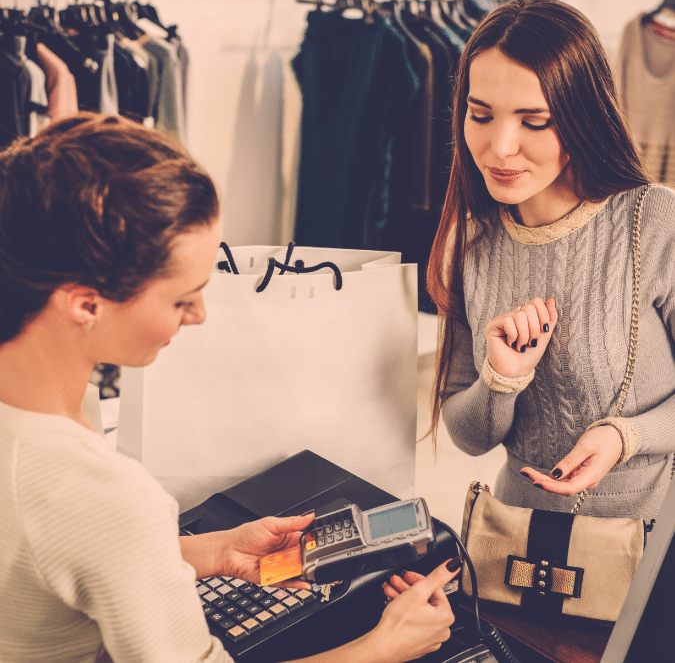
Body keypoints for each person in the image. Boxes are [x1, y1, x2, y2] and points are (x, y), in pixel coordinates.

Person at [0, 113, 459, 663]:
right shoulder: (108, 493)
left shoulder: (51, 426)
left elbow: (56, 549)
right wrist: (383, 648)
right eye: (180, 298)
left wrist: (215, 550)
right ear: (86, 304)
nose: (199, 315)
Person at [426, 0, 675, 520]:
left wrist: (624, 437)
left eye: (534, 121)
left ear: (582, 118)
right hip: (519, 538)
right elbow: (468, 436)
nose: (500, 147)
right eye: (480, 115)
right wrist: (500, 378)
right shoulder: (469, 240)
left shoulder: (653, 223)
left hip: (650, 537)